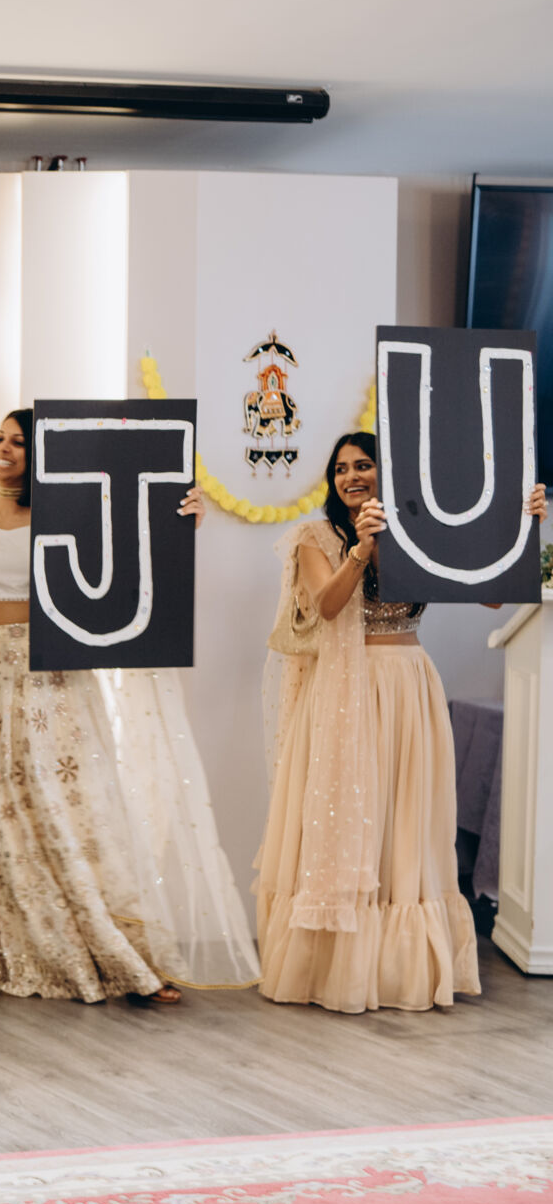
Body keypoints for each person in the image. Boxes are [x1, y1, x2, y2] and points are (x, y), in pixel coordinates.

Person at [0, 408, 208, 1003]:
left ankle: (117, 949)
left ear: (40, 454)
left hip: (53, 671)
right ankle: (12, 943)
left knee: (69, 807)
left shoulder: (65, 512)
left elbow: (130, 549)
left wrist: (183, 520)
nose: (3, 448)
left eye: (18, 442)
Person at [253, 431, 547, 1012]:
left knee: (405, 816)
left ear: (388, 473)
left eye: (363, 465)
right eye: (341, 469)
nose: (351, 476)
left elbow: (491, 596)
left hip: (409, 685)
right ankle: (334, 966)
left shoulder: (420, 533)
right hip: (343, 691)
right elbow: (327, 606)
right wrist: (362, 548)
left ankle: (396, 970)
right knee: (348, 811)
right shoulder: (314, 537)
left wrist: (523, 525)